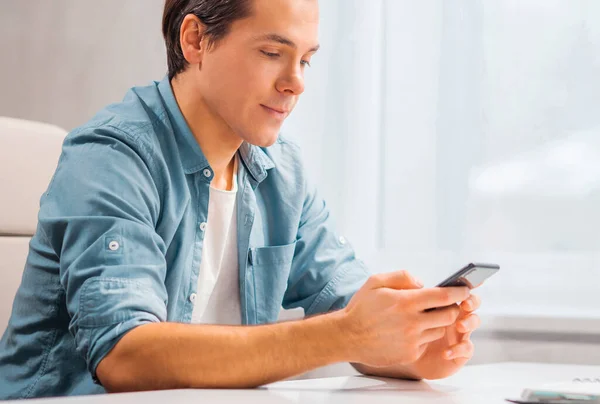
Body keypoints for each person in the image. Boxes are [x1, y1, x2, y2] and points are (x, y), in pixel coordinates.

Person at [0, 0, 481, 399]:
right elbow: (126, 356)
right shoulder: (112, 157)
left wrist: (410, 345)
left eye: (306, 59)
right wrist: (348, 333)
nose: (296, 82)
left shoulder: (281, 174)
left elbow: (345, 307)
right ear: (195, 41)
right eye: (273, 52)